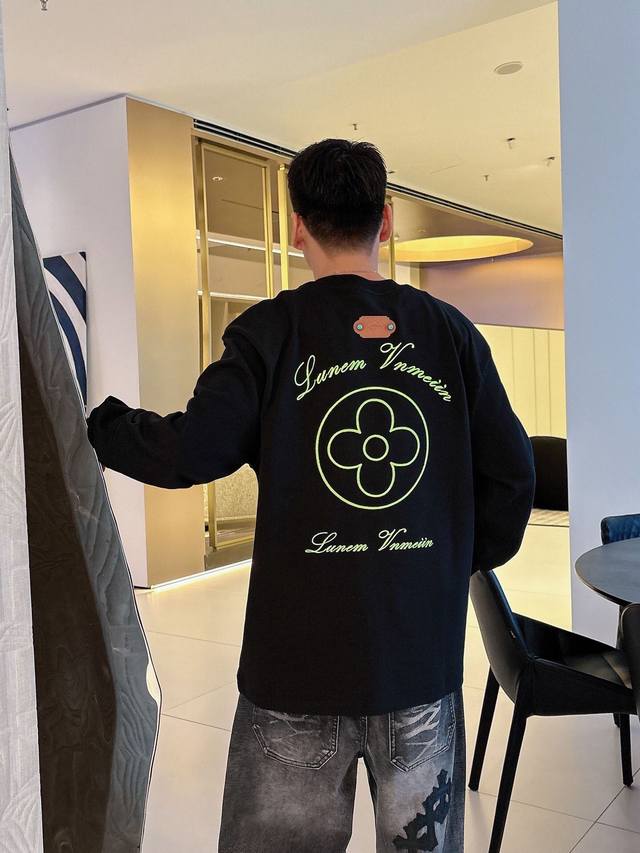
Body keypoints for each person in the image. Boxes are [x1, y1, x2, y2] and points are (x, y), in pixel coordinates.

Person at [87, 138, 536, 852]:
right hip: (417, 657)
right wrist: (448, 562)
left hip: (294, 666)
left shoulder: (269, 333)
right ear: (385, 220)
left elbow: (190, 450)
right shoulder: (449, 334)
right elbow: (513, 476)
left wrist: (98, 425)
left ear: (297, 226)